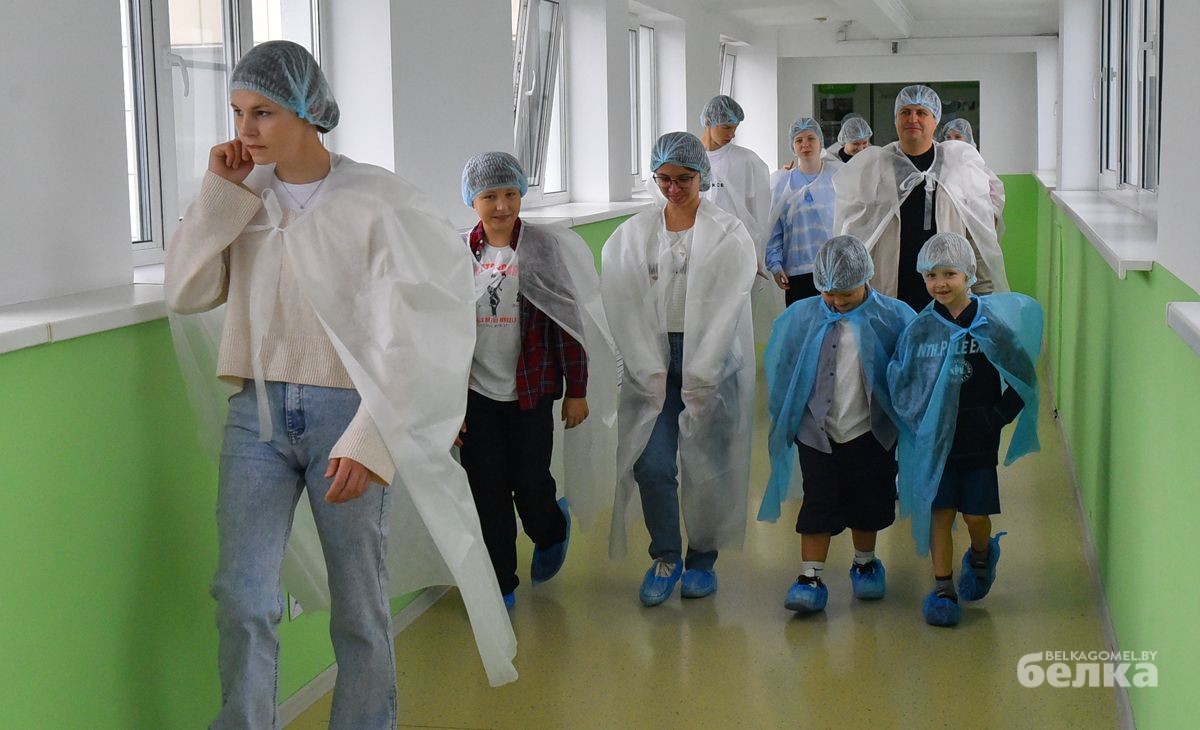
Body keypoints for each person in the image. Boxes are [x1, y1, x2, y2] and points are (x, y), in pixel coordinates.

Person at [165, 41, 516, 728]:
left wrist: (372, 436)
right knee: (242, 597)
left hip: (347, 414)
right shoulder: (244, 197)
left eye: (262, 112)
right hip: (257, 416)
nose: (245, 129)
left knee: (359, 603)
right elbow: (185, 291)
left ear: (307, 111)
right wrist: (219, 194)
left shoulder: (376, 201)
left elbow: (416, 326)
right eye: (237, 112)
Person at [456, 151, 618, 610]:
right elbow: (441, 336)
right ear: (472, 199)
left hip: (531, 389)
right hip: (476, 397)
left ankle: (550, 529)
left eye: (511, 194)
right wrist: (447, 406)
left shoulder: (541, 249)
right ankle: (501, 584)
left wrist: (577, 390)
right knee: (487, 494)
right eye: (490, 196)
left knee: (530, 484)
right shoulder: (458, 253)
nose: (502, 206)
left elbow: (567, 323)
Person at [602, 132, 757, 606]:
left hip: (711, 360)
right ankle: (666, 556)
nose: (673, 188)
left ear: (703, 176)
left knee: (708, 464)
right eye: (663, 178)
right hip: (653, 362)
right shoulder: (633, 235)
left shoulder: (728, 233)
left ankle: (703, 558)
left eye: (684, 178)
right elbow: (623, 303)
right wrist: (645, 366)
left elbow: (726, 311)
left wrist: (704, 373)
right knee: (651, 463)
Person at [887, 233, 1042, 627]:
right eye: (931, 275)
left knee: (975, 516)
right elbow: (901, 379)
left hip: (978, 441)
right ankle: (943, 589)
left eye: (949, 274)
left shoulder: (991, 326)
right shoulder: (921, 329)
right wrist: (919, 423)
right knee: (940, 514)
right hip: (936, 444)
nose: (940, 283)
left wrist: (996, 417)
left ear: (968, 274)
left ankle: (981, 555)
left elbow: (1023, 377)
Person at [760, 236, 915, 614]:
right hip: (817, 430)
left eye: (846, 293)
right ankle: (810, 576)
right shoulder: (802, 317)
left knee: (869, 500)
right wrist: (784, 419)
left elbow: (910, 371)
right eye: (829, 293)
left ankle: (865, 562)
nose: (837, 301)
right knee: (818, 501)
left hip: (871, 430)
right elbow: (784, 369)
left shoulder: (894, 317)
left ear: (866, 278)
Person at [834, 85, 1010, 313]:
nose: (912, 119)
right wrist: (849, 290)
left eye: (921, 112)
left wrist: (983, 293)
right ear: (896, 119)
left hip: (947, 288)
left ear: (935, 120)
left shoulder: (957, 165)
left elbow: (976, 233)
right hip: (890, 290)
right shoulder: (874, 168)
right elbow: (854, 233)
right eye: (905, 112)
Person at [765, 117, 842, 307]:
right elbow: (774, 228)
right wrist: (775, 264)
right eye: (799, 140)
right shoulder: (782, 183)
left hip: (834, 268)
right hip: (797, 272)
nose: (805, 144)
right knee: (801, 322)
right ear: (793, 147)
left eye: (810, 138)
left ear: (820, 142)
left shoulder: (838, 177)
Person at [699, 95, 772, 264]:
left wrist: (758, 255)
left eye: (735, 128)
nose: (731, 134)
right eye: (726, 127)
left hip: (738, 250)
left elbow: (761, 214)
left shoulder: (747, 161)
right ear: (708, 121)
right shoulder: (690, 159)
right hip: (699, 249)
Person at [938, 117, 1007, 236]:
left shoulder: (979, 169)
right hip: (948, 229)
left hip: (975, 231)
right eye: (948, 137)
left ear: (968, 139)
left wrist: (989, 221)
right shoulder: (940, 168)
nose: (952, 141)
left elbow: (996, 201)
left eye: (958, 137)